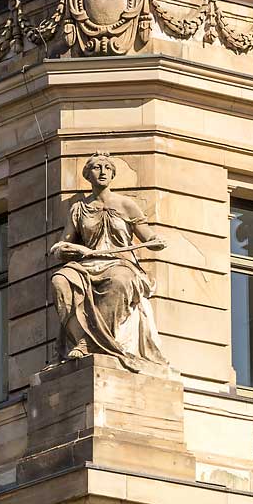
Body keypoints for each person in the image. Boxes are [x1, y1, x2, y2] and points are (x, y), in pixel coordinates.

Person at [50, 153, 169, 370]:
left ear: (113, 174)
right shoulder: (78, 209)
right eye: (97, 167)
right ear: (88, 174)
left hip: (120, 263)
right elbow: (63, 243)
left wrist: (156, 241)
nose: (102, 171)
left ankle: (91, 341)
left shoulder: (126, 205)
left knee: (120, 281)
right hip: (87, 263)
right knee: (60, 280)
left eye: (107, 168)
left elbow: (148, 236)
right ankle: (81, 336)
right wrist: (63, 250)